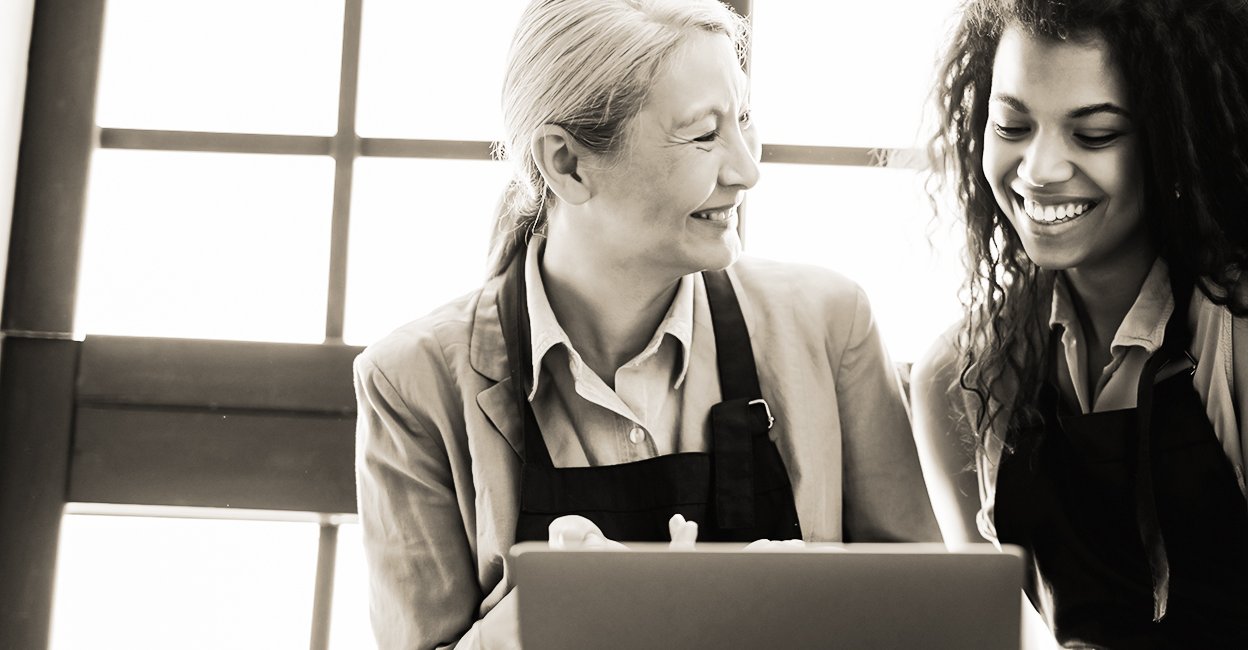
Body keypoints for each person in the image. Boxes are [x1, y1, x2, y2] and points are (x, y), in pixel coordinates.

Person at [352, 1, 941, 647]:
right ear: (567, 162)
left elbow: (932, 623)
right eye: (703, 135)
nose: (747, 170)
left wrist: (820, 598)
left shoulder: (831, 322)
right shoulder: (410, 380)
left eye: (743, 120)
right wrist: (557, 612)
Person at [911, 0, 1248, 648]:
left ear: (1177, 135)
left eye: (1093, 134)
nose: (1038, 170)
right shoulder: (958, 377)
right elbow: (993, 636)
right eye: (1012, 124)